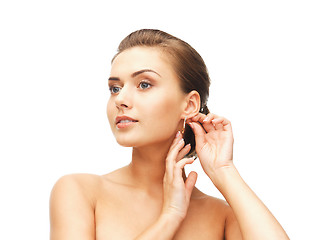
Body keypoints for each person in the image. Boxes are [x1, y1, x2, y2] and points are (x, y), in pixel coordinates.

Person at [50, 29, 289, 239]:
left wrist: (224, 170)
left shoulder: (222, 216)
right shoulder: (79, 191)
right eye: (115, 88)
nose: (120, 99)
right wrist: (170, 217)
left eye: (144, 84)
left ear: (189, 105)